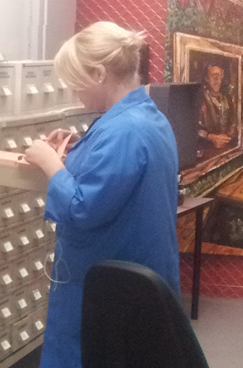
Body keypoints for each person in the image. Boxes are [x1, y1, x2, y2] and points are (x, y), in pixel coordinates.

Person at [23, 21, 181, 368]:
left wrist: (50, 163)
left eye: (76, 82)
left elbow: (83, 208)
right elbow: (120, 174)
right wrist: (81, 147)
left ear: (98, 73)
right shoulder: (144, 117)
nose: (74, 93)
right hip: (139, 279)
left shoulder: (123, 130)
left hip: (111, 289)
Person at [198, 65, 236, 156]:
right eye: (215, 77)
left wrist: (227, 137)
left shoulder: (227, 98)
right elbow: (194, 128)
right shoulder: (200, 100)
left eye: (221, 77)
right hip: (205, 152)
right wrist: (210, 137)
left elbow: (233, 122)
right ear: (207, 78)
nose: (219, 81)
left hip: (226, 149)